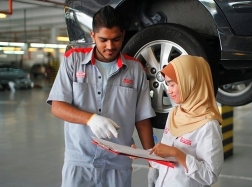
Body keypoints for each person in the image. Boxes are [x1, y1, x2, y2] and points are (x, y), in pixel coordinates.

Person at [46, 5, 156, 187]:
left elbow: (142, 118)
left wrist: (153, 162)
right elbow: (57, 106)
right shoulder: (73, 60)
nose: (110, 46)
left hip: (118, 164)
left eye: (116, 39)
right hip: (80, 162)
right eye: (103, 40)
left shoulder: (135, 69)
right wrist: (90, 119)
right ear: (93, 36)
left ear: (123, 35)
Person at [148, 55, 224, 187]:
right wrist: (143, 154)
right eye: (167, 84)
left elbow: (210, 175)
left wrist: (176, 153)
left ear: (190, 82)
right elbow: (166, 154)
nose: (168, 90)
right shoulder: (174, 113)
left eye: (172, 84)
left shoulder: (208, 124)